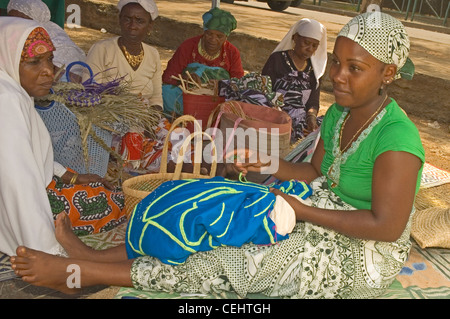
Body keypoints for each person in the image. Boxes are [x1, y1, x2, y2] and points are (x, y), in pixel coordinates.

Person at [11, 12, 425, 299]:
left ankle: (78, 275)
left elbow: (385, 228)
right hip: (315, 208)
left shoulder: (396, 138)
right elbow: (313, 169)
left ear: (388, 73)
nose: (336, 76)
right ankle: (95, 255)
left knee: (228, 258)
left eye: (355, 68)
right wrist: (263, 163)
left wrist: (300, 210)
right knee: (201, 205)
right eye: (335, 63)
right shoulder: (340, 112)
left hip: (362, 251)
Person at [0, 17, 126, 257]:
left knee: (99, 190)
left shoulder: (11, 90)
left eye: (49, 59)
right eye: (34, 62)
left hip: (25, 195)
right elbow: (19, 183)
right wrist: (46, 250)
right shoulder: (7, 100)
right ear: (8, 59)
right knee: (110, 202)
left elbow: (28, 157)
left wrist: (74, 177)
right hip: (16, 207)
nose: (49, 70)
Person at [83, 0, 166, 171]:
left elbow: (157, 97)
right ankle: (129, 179)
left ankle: (165, 172)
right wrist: (128, 114)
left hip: (146, 117)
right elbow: (89, 92)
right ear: (119, 20)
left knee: (177, 137)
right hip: (109, 117)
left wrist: (151, 120)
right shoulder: (102, 49)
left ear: (150, 26)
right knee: (134, 136)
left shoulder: (153, 54)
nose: (132, 25)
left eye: (140, 21)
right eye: (127, 19)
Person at [162, 7, 244, 117]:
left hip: (217, 101)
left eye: (219, 36)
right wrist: (184, 79)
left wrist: (219, 85)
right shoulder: (188, 46)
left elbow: (240, 84)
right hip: (188, 98)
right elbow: (168, 77)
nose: (213, 39)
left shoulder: (232, 52)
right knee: (165, 92)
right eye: (209, 34)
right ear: (204, 31)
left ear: (226, 37)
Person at [262, 18, 327, 141]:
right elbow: (264, 91)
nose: (310, 49)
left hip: (301, 119)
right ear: (295, 38)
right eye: (306, 43)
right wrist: (282, 117)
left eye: (314, 46)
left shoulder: (315, 70)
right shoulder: (277, 60)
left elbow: (313, 102)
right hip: (275, 116)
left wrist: (311, 119)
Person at [7, 0, 86, 82]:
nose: (14, 22)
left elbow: (60, 77)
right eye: (11, 18)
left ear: (34, 18)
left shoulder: (55, 40)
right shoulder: (14, 37)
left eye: (20, 19)